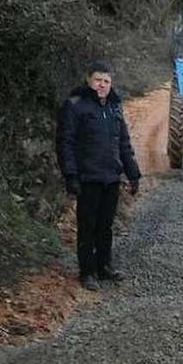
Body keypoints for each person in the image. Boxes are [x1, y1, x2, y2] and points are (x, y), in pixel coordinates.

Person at [57, 60, 141, 291]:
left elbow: (123, 142)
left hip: (111, 177)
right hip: (87, 177)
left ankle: (105, 266)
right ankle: (87, 272)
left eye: (106, 81)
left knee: (106, 226)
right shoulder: (75, 106)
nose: (102, 85)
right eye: (98, 80)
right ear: (88, 80)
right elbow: (66, 142)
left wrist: (133, 173)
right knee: (87, 226)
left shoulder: (114, 107)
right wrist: (71, 175)